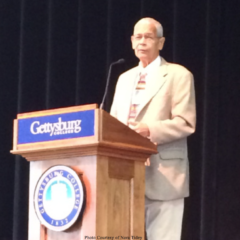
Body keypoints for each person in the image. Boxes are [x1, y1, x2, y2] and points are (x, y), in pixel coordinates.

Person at [110, 17, 196, 240]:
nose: (142, 42)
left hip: (163, 174)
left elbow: (186, 123)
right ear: (131, 42)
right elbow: (112, 122)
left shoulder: (179, 75)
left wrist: (149, 129)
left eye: (148, 37)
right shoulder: (123, 78)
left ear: (161, 42)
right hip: (124, 175)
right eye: (138, 37)